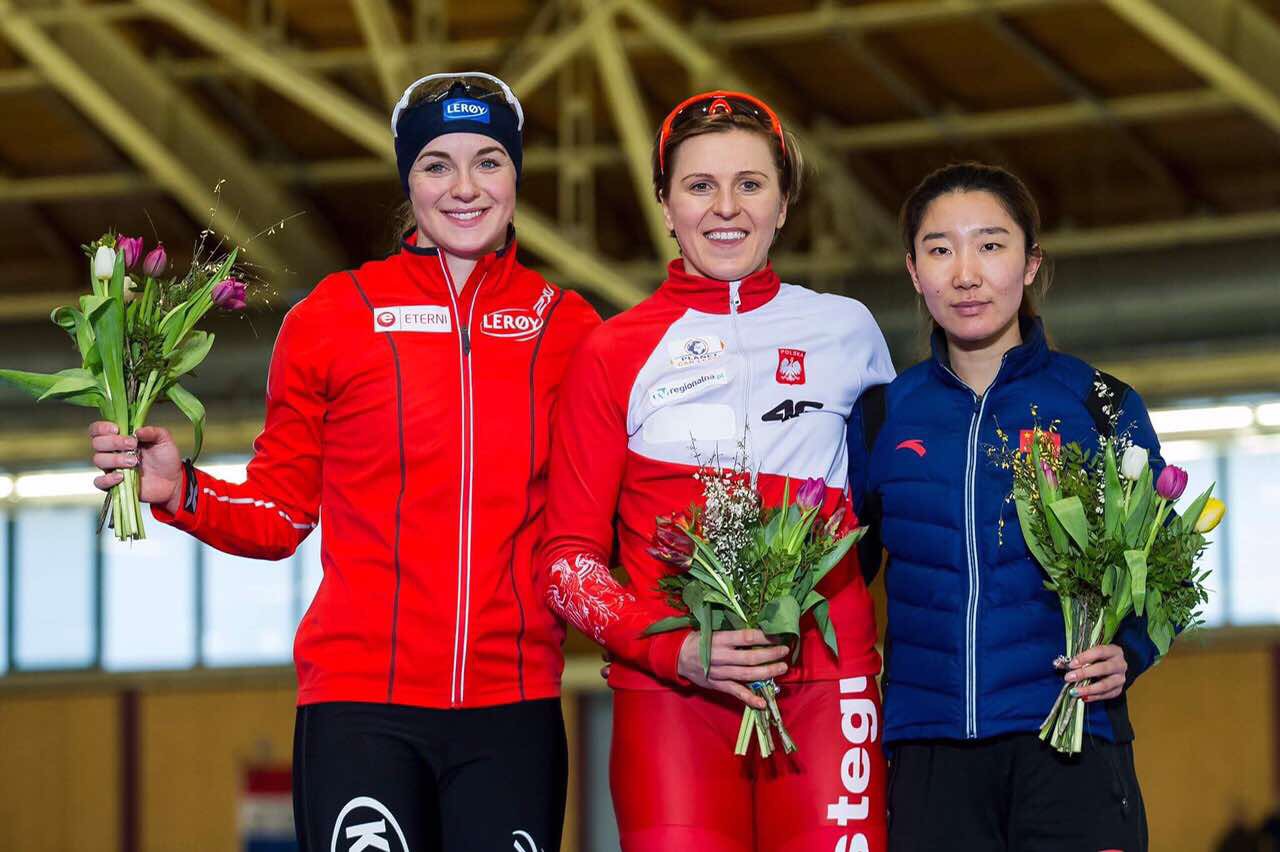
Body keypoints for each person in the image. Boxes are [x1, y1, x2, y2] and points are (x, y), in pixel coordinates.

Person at [87, 72, 599, 852]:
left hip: (515, 710)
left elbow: (597, 517)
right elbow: (282, 514)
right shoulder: (331, 319)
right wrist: (181, 489)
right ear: (407, 180)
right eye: (437, 165)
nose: (465, 187)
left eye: (489, 161)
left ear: (517, 176)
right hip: (361, 711)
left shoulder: (567, 328)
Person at [541, 91, 895, 852]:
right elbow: (566, 564)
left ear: (784, 201)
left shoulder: (848, 333)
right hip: (671, 698)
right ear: (665, 204)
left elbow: (882, 513)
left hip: (829, 689)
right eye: (699, 186)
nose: (725, 207)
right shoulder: (612, 352)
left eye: (751, 183)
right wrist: (676, 650)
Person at [850, 162, 1160, 851]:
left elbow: (1160, 572)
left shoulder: (1100, 406)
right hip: (928, 754)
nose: (966, 273)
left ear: (1030, 264)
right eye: (940, 249)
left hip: (1071, 741)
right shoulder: (882, 417)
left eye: (990, 245)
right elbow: (842, 584)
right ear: (912, 271)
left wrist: (1130, 652)